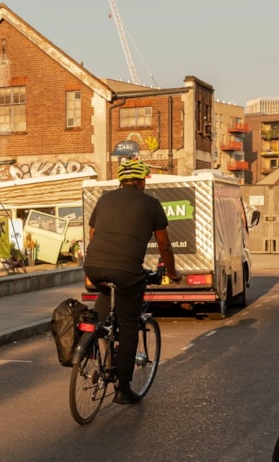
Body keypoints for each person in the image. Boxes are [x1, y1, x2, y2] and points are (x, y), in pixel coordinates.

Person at [83, 158, 180, 406]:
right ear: (140, 181)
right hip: (126, 272)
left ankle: (91, 342)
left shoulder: (105, 198)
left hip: (94, 266)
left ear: (122, 181)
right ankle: (123, 389)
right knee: (128, 327)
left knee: (101, 317)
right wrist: (173, 273)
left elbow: (92, 234)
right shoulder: (151, 204)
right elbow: (164, 245)